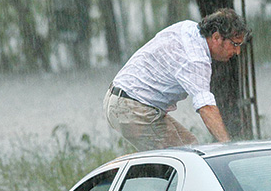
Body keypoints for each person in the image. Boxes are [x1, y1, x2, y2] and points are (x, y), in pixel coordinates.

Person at [104, 8, 249, 151]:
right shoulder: (195, 59)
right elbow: (206, 108)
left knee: (190, 147)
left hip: (124, 99)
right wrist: (228, 147)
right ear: (216, 37)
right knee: (182, 158)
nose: (237, 52)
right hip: (131, 106)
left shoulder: (188, 28)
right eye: (235, 44)